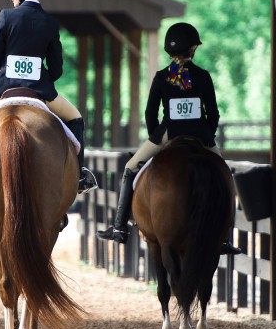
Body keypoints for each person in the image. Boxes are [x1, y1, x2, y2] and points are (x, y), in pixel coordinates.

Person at [96, 23, 240, 255]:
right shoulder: (202, 76)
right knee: (224, 176)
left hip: (167, 133)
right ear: (193, 49)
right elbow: (213, 113)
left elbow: (150, 113)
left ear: (169, 51)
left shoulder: (163, 77)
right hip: (200, 134)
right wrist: (206, 136)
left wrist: (157, 139)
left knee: (130, 168)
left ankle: (120, 227)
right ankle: (224, 237)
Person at [0, 0, 97, 194]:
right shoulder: (50, 22)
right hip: (40, 91)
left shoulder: (6, 17)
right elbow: (56, 66)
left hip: (3, 90)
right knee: (76, 119)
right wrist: (43, 79)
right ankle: (80, 177)